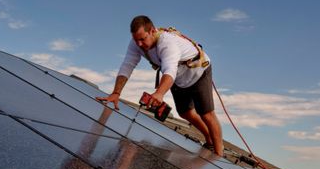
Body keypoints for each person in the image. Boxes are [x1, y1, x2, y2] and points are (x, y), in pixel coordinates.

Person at [96, 15, 224, 156]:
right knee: (185, 112)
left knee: (206, 114)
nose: (139, 44)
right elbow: (127, 65)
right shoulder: (136, 44)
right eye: (135, 39)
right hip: (179, 77)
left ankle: (218, 154)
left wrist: (159, 93)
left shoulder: (167, 43)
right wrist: (116, 93)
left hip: (198, 72)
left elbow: (169, 71)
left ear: (152, 31)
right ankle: (209, 139)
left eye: (142, 39)